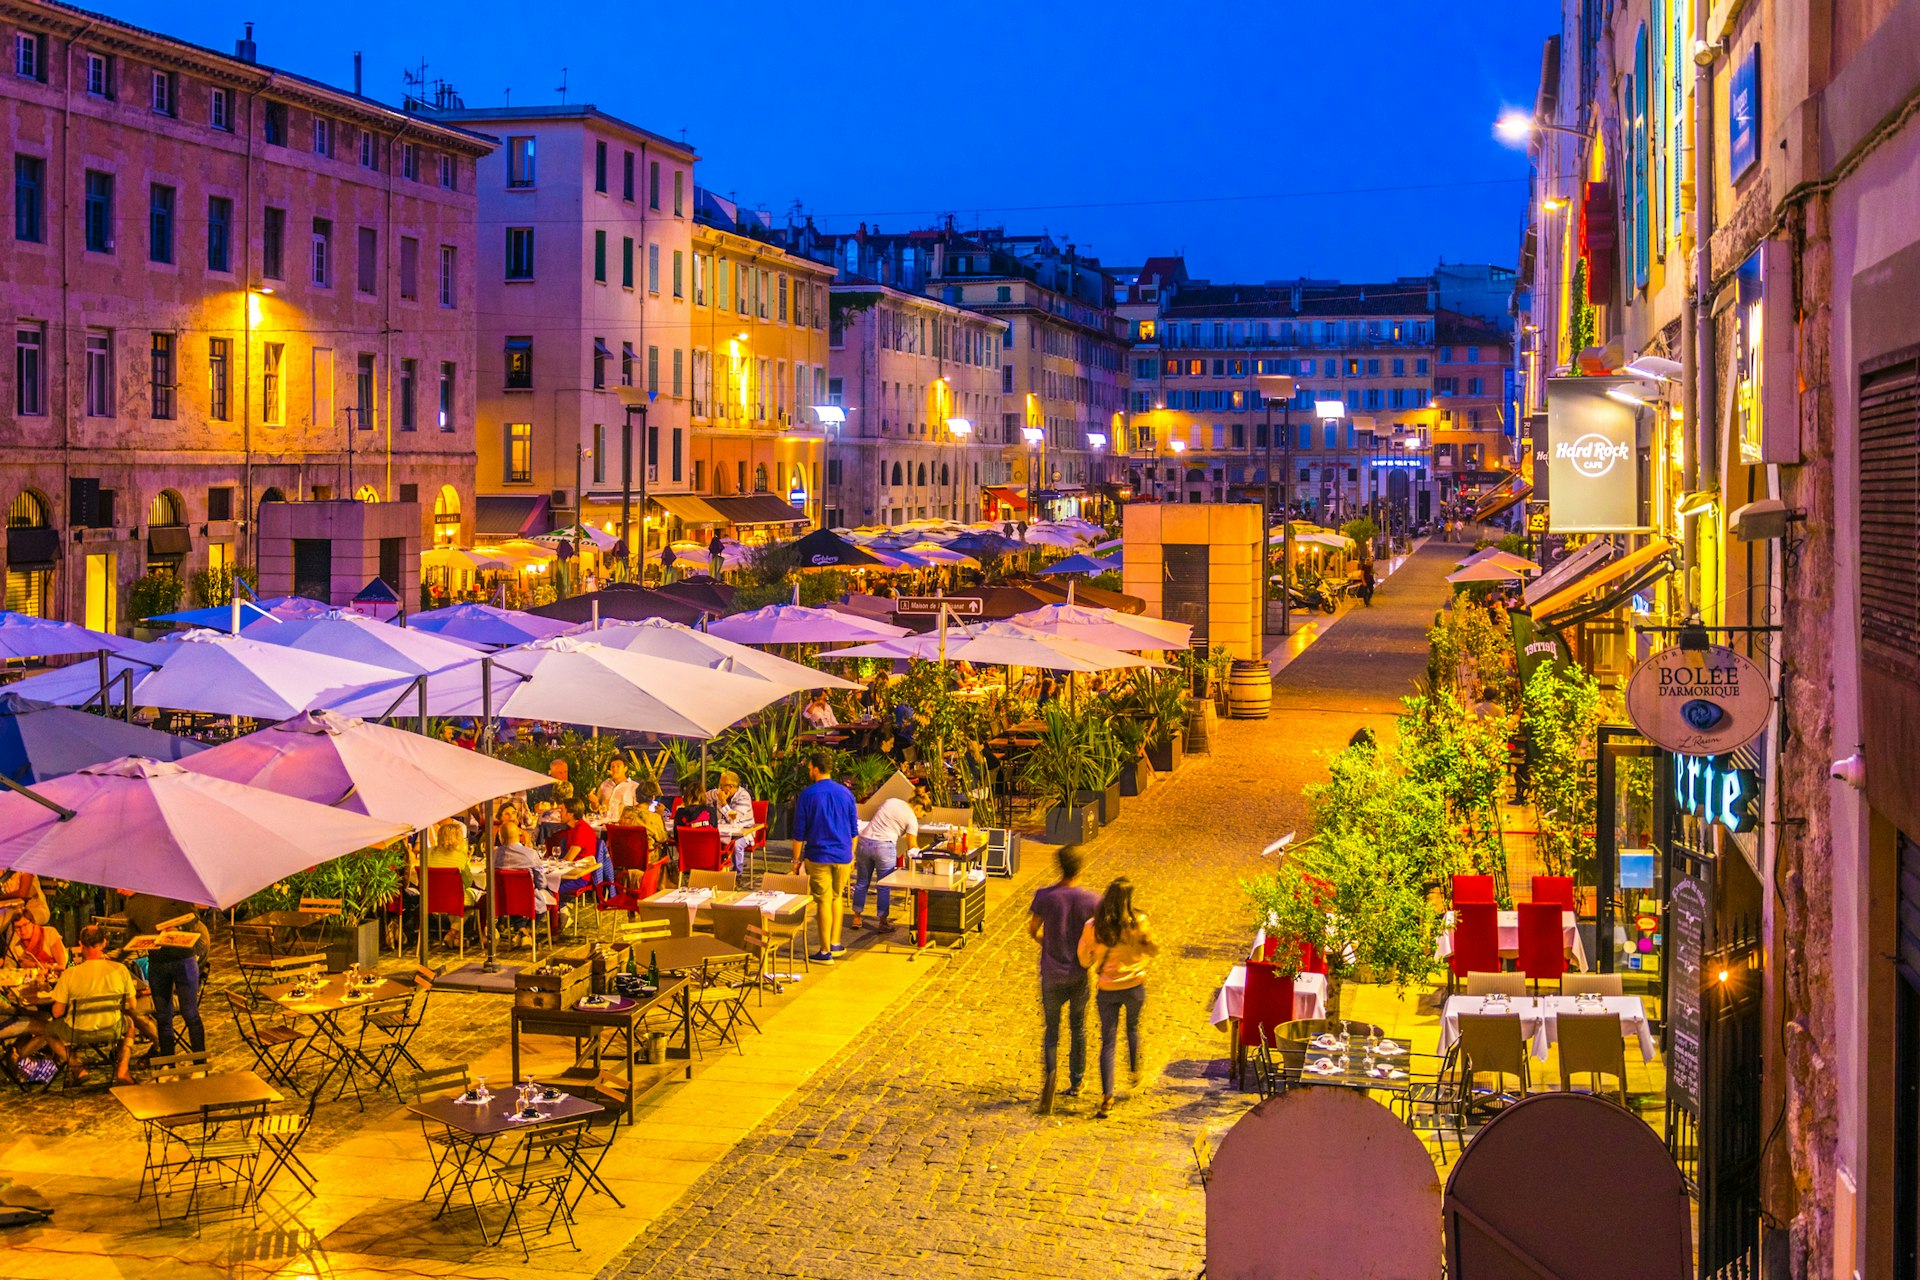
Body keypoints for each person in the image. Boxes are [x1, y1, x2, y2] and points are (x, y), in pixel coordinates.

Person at [1076, 877, 1159, 1118]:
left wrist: (1095, 960)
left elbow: (1083, 957)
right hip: (1134, 986)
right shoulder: (1139, 922)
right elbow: (1153, 949)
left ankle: (1107, 1097)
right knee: (1132, 1028)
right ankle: (1134, 1070)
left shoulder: (1094, 926)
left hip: (1107, 989)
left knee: (1108, 1042)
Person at [1029, 847, 1099, 1114]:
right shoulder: (1091, 900)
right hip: (1078, 974)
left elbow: (1032, 929)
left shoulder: (1045, 897)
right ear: (1080, 867)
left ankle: (1050, 1080)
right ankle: (1077, 1081)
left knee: (1051, 1031)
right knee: (1078, 1028)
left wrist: (1046, 944)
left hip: (1051, 973)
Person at [35, 926, 138, 1085]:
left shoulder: (71, 974)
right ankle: (123, 1068)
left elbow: (56, 1012)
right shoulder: (120, 969)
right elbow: (132, 1005)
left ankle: (78, 1068)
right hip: (113, 1028)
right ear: (104, 943)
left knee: (49, 1030)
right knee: (130, 1024)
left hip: (77, 1032)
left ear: (80, 944)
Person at [121, 891, 207, 1058]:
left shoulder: (169, 891)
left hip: (183, 959)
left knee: (190, 1014)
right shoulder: (133, 903)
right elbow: (132, 933)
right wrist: (116, 958)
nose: (119, 890)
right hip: (157, 961)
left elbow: (193, 917)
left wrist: (178, 928)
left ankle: (200, 1063)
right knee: (163, 1017)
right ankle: (168, 1063)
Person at [790, 753, 857, 962]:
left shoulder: (808, 795)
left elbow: (799, 832)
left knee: (823, 902)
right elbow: (854, 830)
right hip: (844, 855)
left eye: (810, 768)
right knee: (837, 898)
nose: (809, 771)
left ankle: (825, 950)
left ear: (816, 769)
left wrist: (796, 861)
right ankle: (836, 942)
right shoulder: (846, 794)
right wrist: (852, 854)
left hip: (819, 855)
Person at [851, 790, 918, 934]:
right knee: (884, 885)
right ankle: (882, 921)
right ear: (919, 808)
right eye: (922, 814)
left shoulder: (891, 800)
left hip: (864, 842)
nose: (920, 817)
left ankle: (856, 917)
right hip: (884, 847)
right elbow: (912, 845)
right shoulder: (912, 817)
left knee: (862, 882)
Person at [493, 820, 557, 944]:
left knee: (514, 898)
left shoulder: (494, 855)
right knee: (547, 895)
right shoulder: (531, 854)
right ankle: (527, 929)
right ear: (519, 835)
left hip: (504, 899)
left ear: (500, 837)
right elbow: (541, 883)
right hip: (528, 899)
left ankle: (521, 931)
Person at [706, 770, 756, 874]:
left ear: (730, 787)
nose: (720, 788)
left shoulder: (744, 797)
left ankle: (738, 874)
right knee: (708, 839)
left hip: (744, 831)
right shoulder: (719, 793)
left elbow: (734, 818)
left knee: (737, 845)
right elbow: (703, 797)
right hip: (724, 830)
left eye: (722, 785)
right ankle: (713, 870)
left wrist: (723, 803)